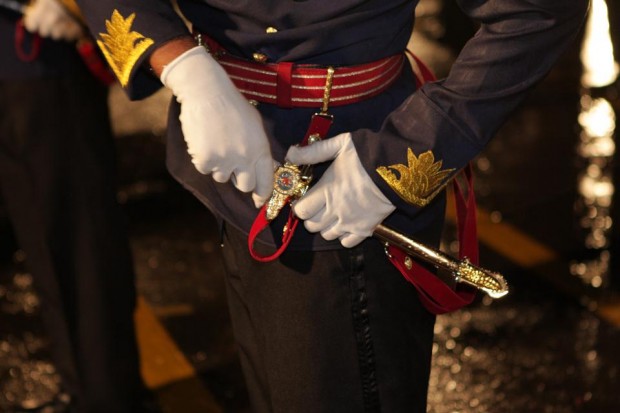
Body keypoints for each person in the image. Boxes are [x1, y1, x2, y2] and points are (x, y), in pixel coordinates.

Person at [75, 1, 589, 412]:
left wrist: (404, 157)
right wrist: (183, 66)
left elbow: (540, 9)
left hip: (346, 184)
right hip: (228, 167)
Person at [0, 1, 153, 412]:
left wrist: (78, 6)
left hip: (40, 57)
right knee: (41, 240)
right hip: (19, 61)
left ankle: (106, 399)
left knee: (75, 242)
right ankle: (84, 388)